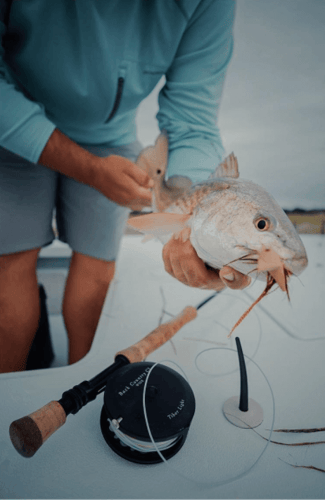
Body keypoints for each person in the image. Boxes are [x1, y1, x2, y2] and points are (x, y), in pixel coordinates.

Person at [0, 0, 249, 373]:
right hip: (13, 126)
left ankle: (84, 383)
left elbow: (192, 123)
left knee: (97, 269)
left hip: (111, 139)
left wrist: (200, 224)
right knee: (11, 263)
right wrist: (91, 171)